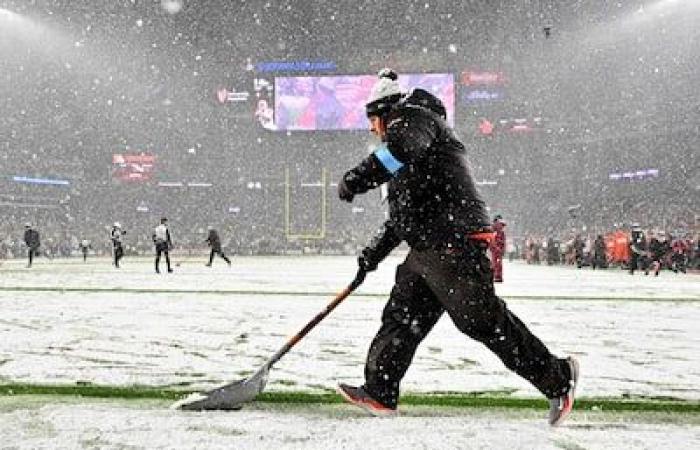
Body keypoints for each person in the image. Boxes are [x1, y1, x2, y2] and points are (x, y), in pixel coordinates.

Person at [335, 69, 578, 426]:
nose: (373, 129)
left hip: (454, 242)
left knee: (481, 322)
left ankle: (559, 377)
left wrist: (356, 178)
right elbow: (401, 218)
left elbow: (400, 149)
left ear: (385, 111)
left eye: (373, 120)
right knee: (402, 318)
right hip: (428, 248)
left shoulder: (412, 120)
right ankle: (380, 391)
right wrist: (371, 254)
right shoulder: (408, 151)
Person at [490, 215, 506, 282]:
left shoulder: (494, 229)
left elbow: (492, 239)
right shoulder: (501, 230)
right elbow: (503, 240)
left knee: (495, 262)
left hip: (495, 248)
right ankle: (498, 276)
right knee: (498, 263)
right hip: (498, 248)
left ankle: (496, 276)